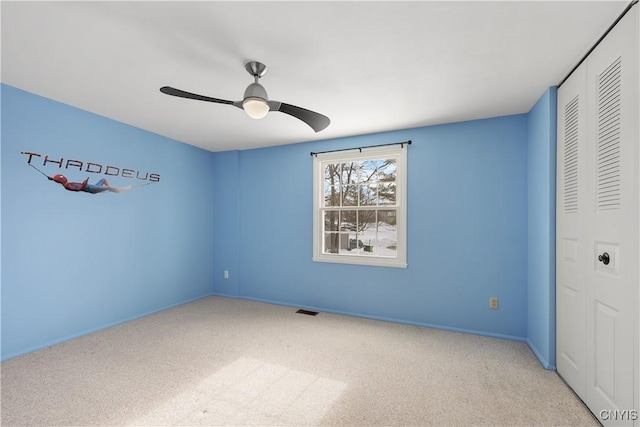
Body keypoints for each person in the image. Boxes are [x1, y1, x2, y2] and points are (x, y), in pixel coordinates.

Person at [49, 174, 132, 193]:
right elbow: (77, 189)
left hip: (93, 186)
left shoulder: (66, 183)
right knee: (109, 188)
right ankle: (121, 189)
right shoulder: (67, 186)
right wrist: (84, 183)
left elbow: (57, 180)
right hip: (91, 189)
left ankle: (112, 189)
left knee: (103, 179)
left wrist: (52, 178)